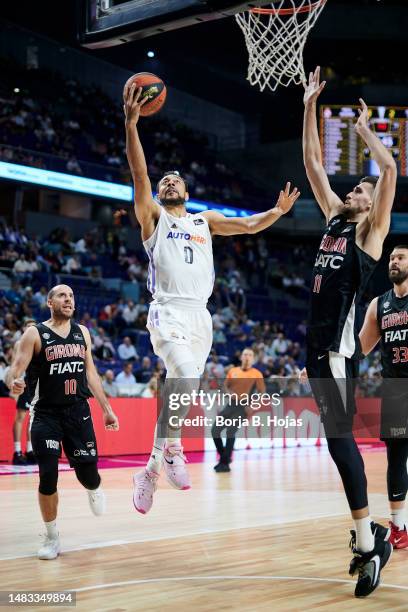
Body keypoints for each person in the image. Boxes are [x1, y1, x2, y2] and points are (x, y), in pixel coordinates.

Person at [124, 82, 300, 514]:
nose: (167, 182)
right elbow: (139, 174)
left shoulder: (206, 221)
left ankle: (150, 468)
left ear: (186, 189)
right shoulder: (153, 220)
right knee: (183, 373)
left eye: (174, 179)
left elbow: (248, 226)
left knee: (183, 390)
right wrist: (132, 124)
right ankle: (174, 451)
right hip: (167, 310)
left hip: (201, 318)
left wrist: (275, 213)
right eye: (164, 181)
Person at [302, 67, 397, 597]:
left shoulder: (371, 232)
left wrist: (363, 131)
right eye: (353, 187)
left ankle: (369, 542)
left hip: (338, 354)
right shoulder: (335, 220)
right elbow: (314, 163)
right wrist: (310, 105)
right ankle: (370, 537)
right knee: (336, 446)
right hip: (317, 353)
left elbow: (389, 171)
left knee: (340, 445)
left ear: (367, 202)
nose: (352, 190)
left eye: (357, 188)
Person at [8, 285, 119, 560]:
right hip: (45, 414)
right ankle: (51, 536)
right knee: (48, 475)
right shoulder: (35, 333)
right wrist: (15, 383)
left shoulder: (83, 333)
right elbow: (14, 369)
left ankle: (93, 488)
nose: (68, 299)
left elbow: (91, 372)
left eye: (71, 296)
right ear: (49, 302)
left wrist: (106, 408)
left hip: (78, 412)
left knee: (88, 475)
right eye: (62, 295)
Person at [359, 246, 408, 550]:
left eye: (401, 257)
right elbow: (360, 347)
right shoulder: (380, 304)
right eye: (391, 258)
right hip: (395, 391)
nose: (394, 261)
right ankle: (399, 526)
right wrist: (320, 365)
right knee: (396, 459)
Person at [211, 348, 265, 472]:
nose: (247, 357)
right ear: (241, 357)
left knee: (230, 432)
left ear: (253, 359)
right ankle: (225, 457)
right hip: (231, 405)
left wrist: (253, 405)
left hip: (243, 407)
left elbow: (262, 393)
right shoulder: (233, 371)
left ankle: (224, 463)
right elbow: (224, 386)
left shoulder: (257, 374)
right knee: (215, 430)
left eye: (250, 355)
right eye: (245, 354)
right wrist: (229, 393)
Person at [8, 318, 37, 465]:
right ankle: (17, 451)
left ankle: (30, 450)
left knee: (33, 419)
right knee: (20, 417)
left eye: (33, 327)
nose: (31, 329)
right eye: (29, 327)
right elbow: (14, 365)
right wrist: (15, 384)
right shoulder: (19, 344)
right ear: (24, 329)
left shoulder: (37, 344)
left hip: (35, 385)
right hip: (23, 384)